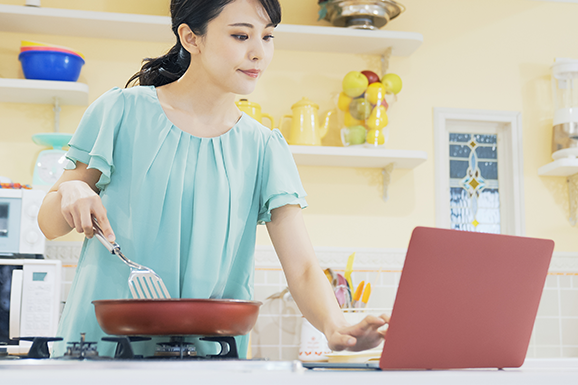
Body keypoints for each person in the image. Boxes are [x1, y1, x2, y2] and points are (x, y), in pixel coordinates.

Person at [38, 0, 389, 358]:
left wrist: (336, 328)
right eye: (241, 35)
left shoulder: (263, 147)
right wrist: (72, 188)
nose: (258, 53)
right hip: (101, 350)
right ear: (191, 37)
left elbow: (301, 267)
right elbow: (49, 224)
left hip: (207, 356)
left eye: (267, 37)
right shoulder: (121, 112)